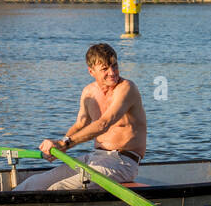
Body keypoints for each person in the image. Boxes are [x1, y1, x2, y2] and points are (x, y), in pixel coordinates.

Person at [19, 43, 146, 192]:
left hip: (122, 163)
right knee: (33, 183)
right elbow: (80, 124)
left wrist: (64, 144)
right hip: (94, 158)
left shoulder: (127, 88)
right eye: (105, 68)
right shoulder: (88, 92)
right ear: (91, 71)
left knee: (58, 189)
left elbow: (103, 124)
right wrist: (59, 146)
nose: (112, 72)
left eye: (114, 65)